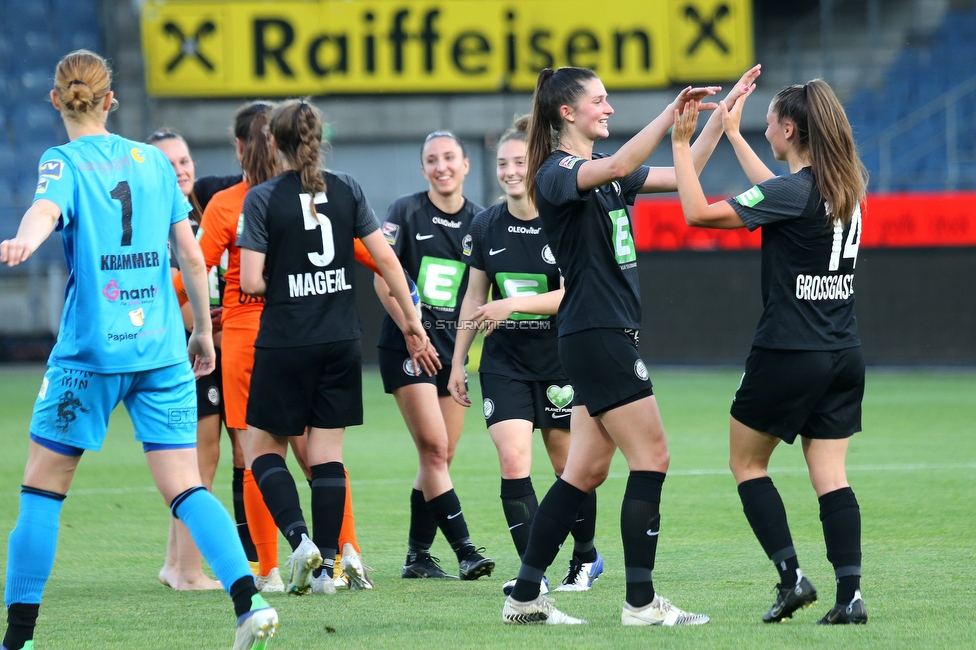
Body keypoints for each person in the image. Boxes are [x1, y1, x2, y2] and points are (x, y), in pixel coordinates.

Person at [0, 50, 276, 650]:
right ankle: (247, 601)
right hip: (161, 348)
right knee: (186, 486)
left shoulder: (62, 160)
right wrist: (201, 332)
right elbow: (192, 255)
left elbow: (44, 209)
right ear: (110, 100)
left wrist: (24, 240)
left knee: (42, 490)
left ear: (55, 99)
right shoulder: (153, 162)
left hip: (91, 352)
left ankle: (16, 639)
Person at [500, 64, 759, 627]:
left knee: (583, 472)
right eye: (599, 99)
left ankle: (523, 597)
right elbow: (619, 163)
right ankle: (640, 604)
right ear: (567, 113)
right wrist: (670, 112)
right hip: (597, 335)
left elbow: (685, 168)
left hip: (600, 335)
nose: (609, 108)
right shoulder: (555, 172)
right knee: (654, 457)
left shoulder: (605, 173)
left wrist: (720, 115)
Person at [670, 78, 868, 625]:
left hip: (788, 350)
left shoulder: (792, 193)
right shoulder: (845, 189)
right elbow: (778, 198)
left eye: (769, 121)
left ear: (789, 129)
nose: (764, 127)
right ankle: (849, 597)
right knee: (830, 475)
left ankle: (791, 578)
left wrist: (683, 145)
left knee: (746, 462)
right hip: (843, 353)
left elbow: (698, 214)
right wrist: (733, 137)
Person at [237, 99, 433, 595]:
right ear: (319, 140)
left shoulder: (261, 198)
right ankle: (328, 568)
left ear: (272, 143)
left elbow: (253, 281)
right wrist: (412, 324)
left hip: (286, 339)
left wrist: (290, 273)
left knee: (261, 447)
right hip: (341, 338)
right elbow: (389, 263)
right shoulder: (348, 188)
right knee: (327, 455)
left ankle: (299, 541)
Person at [448, 117, 602, 595]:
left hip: (560, 361)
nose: (512, 172)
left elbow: (570, 294)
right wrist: (457, 362)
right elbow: (473, 299)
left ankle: (584, 557)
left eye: (520, 162)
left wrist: (513, 302)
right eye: (503, 164)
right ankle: (531, 572)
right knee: (513, 460)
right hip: (505, 365)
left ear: (535, 165)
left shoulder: (563, 219)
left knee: (568, 469)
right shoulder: (484, 224)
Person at [374, 131, 494, 581]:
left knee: (439, 459)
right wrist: (412, 329)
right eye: (431, 160)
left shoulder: (482, 222)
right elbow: (382, 282)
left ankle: (417, 556)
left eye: (449, 158)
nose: (441, 167)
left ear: (465, 165)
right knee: (435, 448)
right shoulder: (405, 212)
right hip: (407, 345)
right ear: (423, 169)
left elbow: (486, 290)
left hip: (451, 354)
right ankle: (465, 551)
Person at [147, 128, 232, 591]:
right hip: (184, 352)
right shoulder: (154, 223)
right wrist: (212, 325)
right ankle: (189, 572)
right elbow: (174, 305)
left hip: (209, 344)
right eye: (168, 163)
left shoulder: (203, 201)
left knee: (201, 459)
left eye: (184, 161)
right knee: (200, 462)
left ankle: (173, 563)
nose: (180, 171)